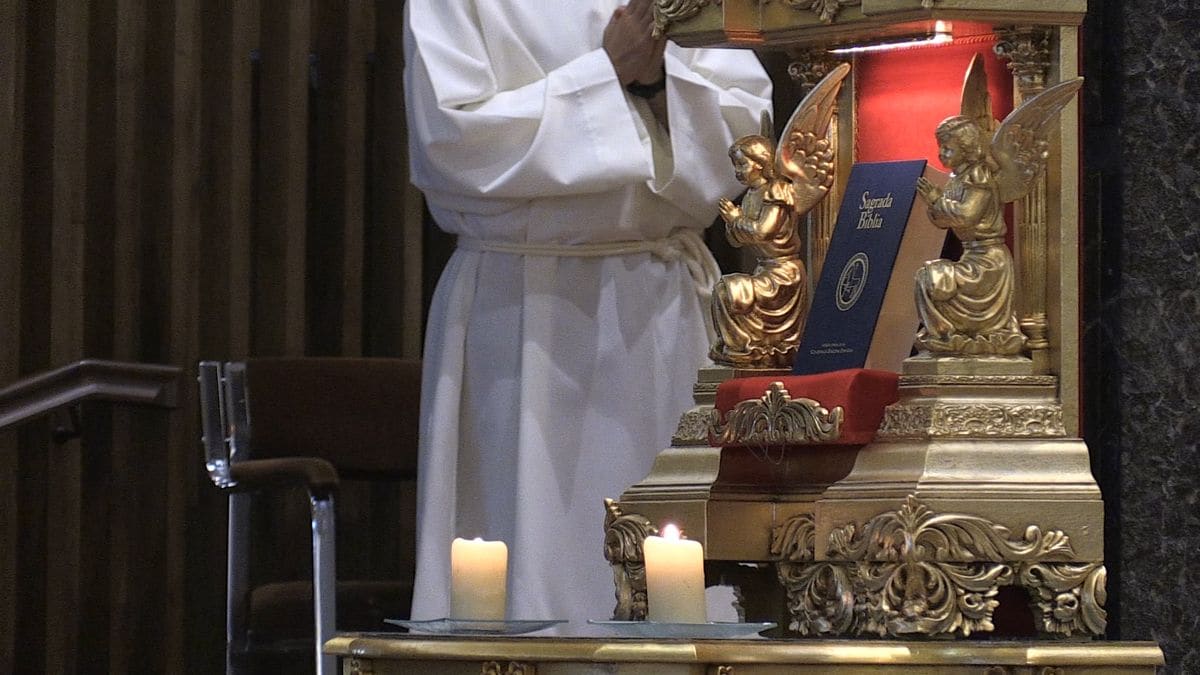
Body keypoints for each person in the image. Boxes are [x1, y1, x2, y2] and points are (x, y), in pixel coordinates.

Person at [404, 0, 773, 627]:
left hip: (663, 302)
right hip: (523, 302)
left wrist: (655, 81)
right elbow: (451, 140)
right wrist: (605, 72)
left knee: (678, 558)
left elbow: (748, 126)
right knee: (527, 549)